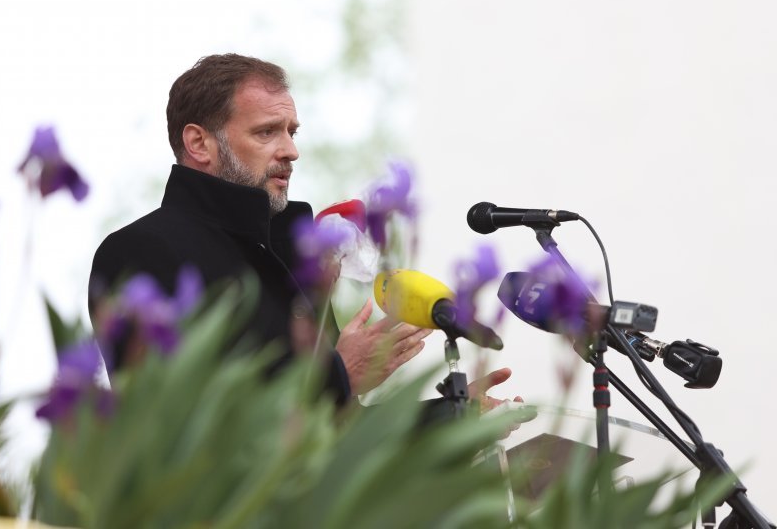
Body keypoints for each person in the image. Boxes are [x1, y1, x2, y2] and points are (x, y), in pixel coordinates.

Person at [89, 53, 512, 409]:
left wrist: (451, 421)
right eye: (267, 131)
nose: (291, 150)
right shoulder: (138, 251)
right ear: (200, 144)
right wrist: (338, 376)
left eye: (291, 132)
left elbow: (331, 436)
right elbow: (181, 425)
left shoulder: (290, 251)